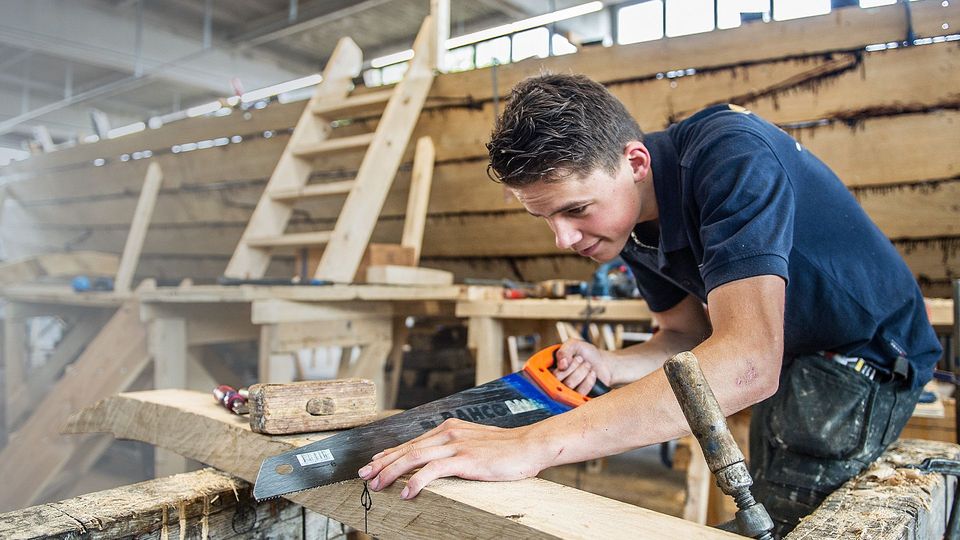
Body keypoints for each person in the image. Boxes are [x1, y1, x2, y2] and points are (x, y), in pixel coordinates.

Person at [356, 74, 942, 534]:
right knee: (764, 500)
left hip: (863, 354)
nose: (563, 239)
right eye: (544, 218)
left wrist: (532, 443)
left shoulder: (733, 160)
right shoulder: (630, 220)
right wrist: (611, 364)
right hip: (794, 354)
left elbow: (745, 363)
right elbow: (685, 336)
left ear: (635, 163)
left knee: (792, 524)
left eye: (575, 210)